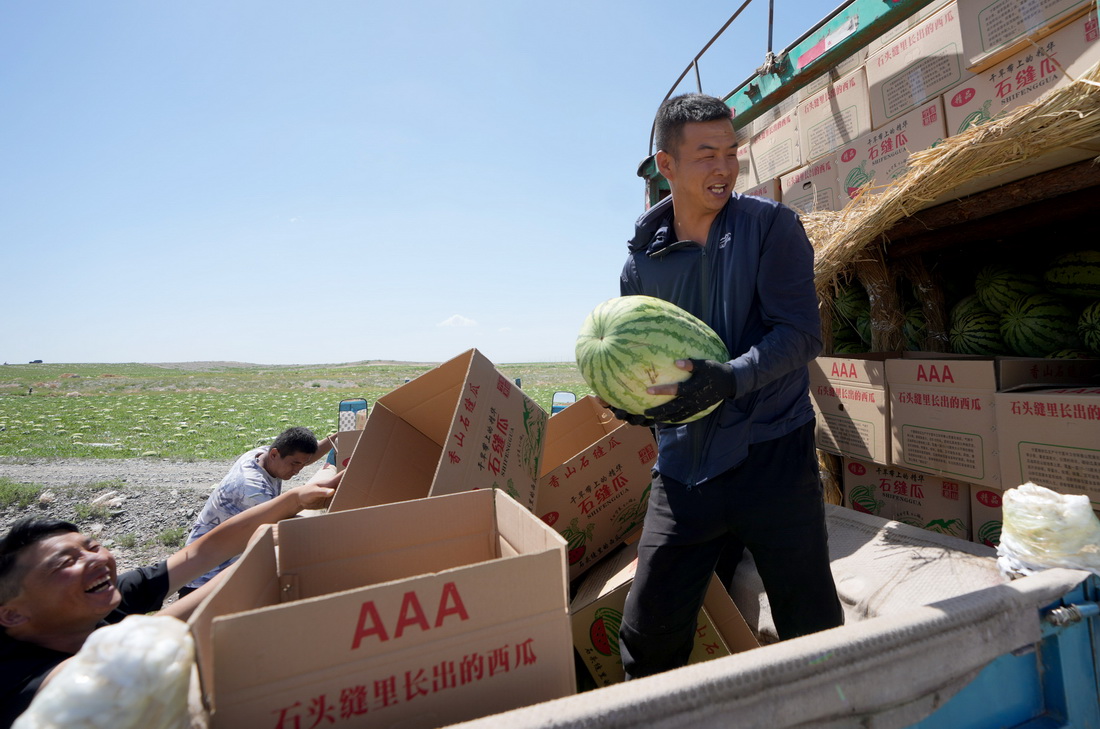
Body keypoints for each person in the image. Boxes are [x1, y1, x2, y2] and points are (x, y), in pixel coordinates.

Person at [614, 93, 843, 680]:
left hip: (773, 455)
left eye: (732, 152)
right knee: (648, 634)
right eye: (705, 155)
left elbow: (799, 334)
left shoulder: (771, 227)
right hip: (685, 466)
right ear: (666, 166)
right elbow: (644, 358)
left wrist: (727, 379)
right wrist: (637, 401)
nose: (724, 167)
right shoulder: (642, 262)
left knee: (810, 626)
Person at [0, 470, 340, 728]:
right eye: (65, 562)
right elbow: (131, 657)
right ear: (12, 614)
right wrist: (261, 560)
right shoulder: (19, 682)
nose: (96, 559)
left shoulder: (97, 602)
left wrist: (297, 498)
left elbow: (200, 552)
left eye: (91, 546)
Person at [180, 426, 335, 594]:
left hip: (216, 563)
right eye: (295, 464)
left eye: (302, 465)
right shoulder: (253, 490)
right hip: (205, 578)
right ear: (275, 454)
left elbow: (303, 457)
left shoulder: (262, 455)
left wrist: (338, 437)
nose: (297, 470)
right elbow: (286, 527)